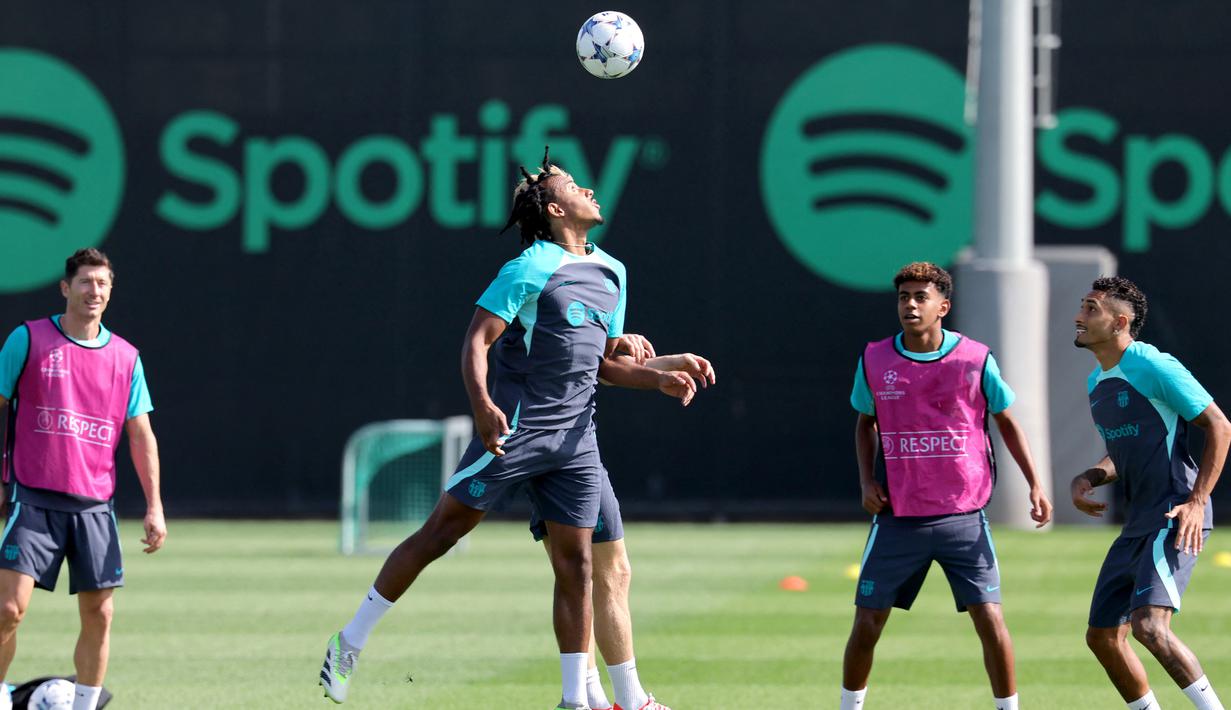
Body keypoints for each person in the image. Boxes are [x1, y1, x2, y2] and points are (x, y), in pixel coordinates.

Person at [319, 150, 697, 709]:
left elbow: (600, 364)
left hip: (576, 442)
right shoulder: (529, 267)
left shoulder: (612, 271)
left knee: (578, 567)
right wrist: (482, 405)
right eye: (573, 185)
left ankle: (575, 700)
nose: (588, 188)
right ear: (553, 209)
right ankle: (349, 641)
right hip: (517, 430)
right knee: (441, 534)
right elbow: (477, 340)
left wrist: (656, 378)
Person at [840, 261, 1052, 710]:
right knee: (866, 624)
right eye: (903, 297)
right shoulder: (876, 358)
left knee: (991, 620)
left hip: (964, 518)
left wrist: (1035, 483)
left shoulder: (975, 358)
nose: (910, 305)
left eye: (921, 297)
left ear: (944, 306)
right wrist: (865, 480)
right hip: (898, 518)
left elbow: (1007, 421)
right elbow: (865, 423)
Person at [0, 248, 167, 710]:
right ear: (65, 288)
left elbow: (140, 436)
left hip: (94, 505)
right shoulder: (28, 339)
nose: (95, 291)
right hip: (33, 497)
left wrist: (154, 505)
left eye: (103, 284)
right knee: (8, 610)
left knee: (100, 612)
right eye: (86, 282)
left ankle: (85, 706)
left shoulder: (125, 358)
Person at [1071, 276, 1230, 710]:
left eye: (1090, 309)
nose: (1078, 317)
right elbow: (1127, 449)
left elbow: (1220, 425)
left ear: (1120, 322)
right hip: (1138, 521)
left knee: (1149, 627)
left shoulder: (1154, 366)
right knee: (1102, 636)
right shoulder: (1096, 384)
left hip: (1174, 512)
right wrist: (1090, 475)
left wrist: (1196, 503)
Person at [532, 345, 715, 710]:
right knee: (605, 572)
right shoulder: (573, 289)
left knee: (578, 576)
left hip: (550, 442)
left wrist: (663, 366)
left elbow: (595, 367)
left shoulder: (583, 293)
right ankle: (629, 702)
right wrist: (657, 370)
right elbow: (587, 363)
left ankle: (593, 699)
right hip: (567, 447)